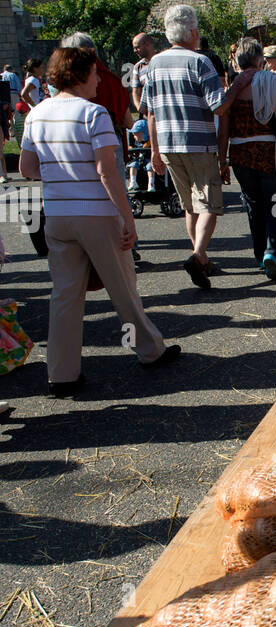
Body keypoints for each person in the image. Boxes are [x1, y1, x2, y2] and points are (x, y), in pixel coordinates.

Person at [18, 45, 180, 396]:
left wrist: (60, 174)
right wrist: (128, 219)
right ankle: (149, 350)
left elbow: (27, 168)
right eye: (94, 74)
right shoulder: (94, 114)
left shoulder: (36, 114)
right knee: (122, 288)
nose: (98, 80)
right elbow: (107, 172)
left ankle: (61, 373)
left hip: (57, 215)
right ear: (79, 75)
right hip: (96, 213)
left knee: (64, 296)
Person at [145, 3, 254, 289]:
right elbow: (218, 106)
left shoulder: (154, 63)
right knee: (209, 203)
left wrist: (154, 150)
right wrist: (238, 84)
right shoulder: (199, 62)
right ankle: (199, 254)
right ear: (192, 31)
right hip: (198, 142)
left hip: (168, 143)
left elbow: (150, 111)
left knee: (189, 206)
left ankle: (201, 259)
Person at [219, 36, 276, 281]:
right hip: (268, 151)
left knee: (253, 203)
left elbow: (223, 126)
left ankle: (259, 252)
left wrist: (222, 160)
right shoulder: (270, 81)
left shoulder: (232, 88)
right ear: (257, 58)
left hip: (240, 152)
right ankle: (273, 252)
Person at [130, 33, 156, 111]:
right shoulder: (138, 67)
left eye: (137, 47)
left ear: (147, 44)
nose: (135, 51)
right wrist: (140, 108)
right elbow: (135, 92)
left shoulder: (162, 61)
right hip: (148, 115)